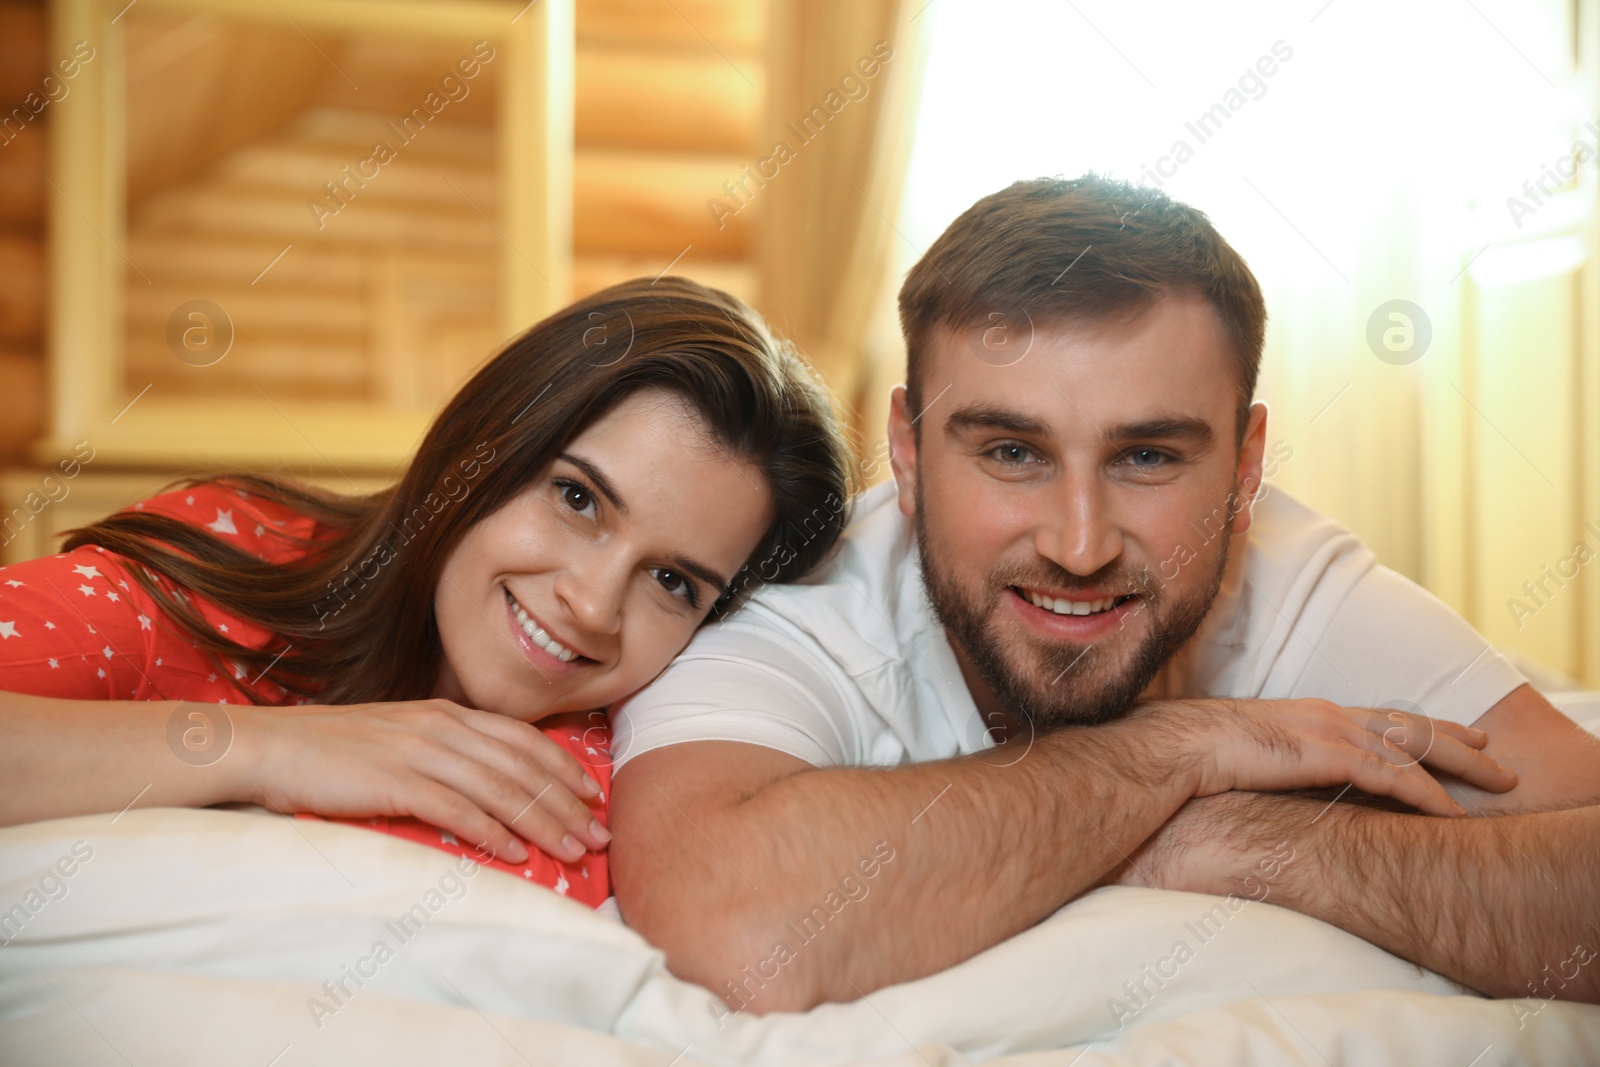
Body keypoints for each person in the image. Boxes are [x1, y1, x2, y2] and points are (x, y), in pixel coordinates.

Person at [608, 177, 1600, 1014]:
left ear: (1245, 468)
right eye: (1009, 450)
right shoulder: (804, 608)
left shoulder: (1287, 577)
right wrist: (1168, 754)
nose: (1078, 543)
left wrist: (1230, 836)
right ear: (906, 453)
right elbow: (731, 926)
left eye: (1147, 455)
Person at [0, 276, 853, 907]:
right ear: (486, 446)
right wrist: (272, 751)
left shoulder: (624, 765)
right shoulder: (232, 560)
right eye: (577, 497)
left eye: (673, 582)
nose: (592, 606)